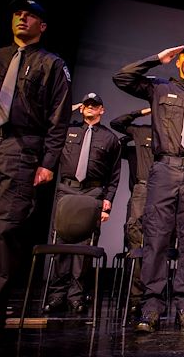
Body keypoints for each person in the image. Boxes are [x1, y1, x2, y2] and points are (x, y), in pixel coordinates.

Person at [0, 0, 72, 343]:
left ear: (42, 26)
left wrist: (48, 163)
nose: (22, 18)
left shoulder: (52, 64)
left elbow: (58, 118)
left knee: (7, 232)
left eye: (31, 14)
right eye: (18, 13)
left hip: (21, 148)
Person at [113, 42, 184, 333]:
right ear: (178, 62)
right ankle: (151, 306)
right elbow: (122, 78)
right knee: (156, 239)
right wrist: (156, 59)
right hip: (164, 168)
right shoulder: (160, 88)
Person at [45, 93, 120, 314]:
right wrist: (69, 108)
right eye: (86, 105)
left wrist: (108, 200)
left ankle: (76, 296)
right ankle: (57, 294)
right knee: (61, 242)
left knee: (84, 247)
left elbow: (115, 174)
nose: (89, 108)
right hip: (67, 189)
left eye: (94, 105)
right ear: (81, 108)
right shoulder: (67, 130)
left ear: (101, 110)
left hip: (92, 192)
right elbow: (48, 123)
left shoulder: (110, 139)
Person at [110, 106, 155, 316]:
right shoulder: (141, 131)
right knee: (136, 239)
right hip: (144, 188)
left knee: (161, 242)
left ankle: (155, 295)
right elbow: (117, 123)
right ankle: (137, 295)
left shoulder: (176, 131)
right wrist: (142, 112)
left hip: (168, 188)